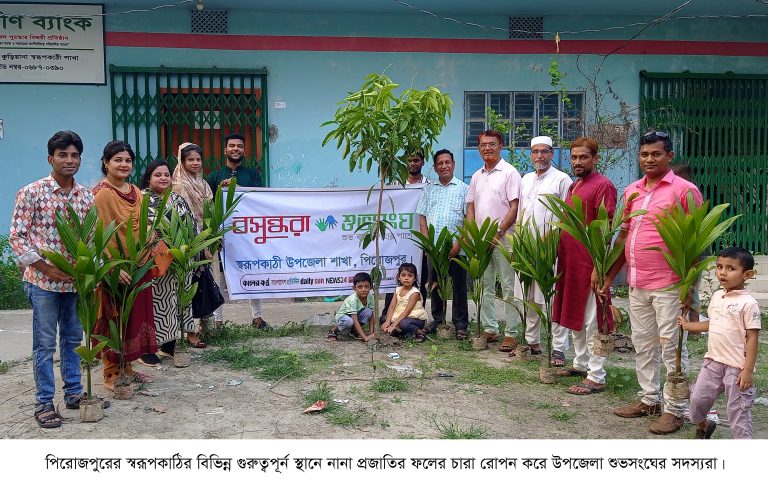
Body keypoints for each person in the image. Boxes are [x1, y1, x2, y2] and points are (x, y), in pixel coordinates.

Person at [601, 130, 703, 435]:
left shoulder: (685, 191)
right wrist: (608, 275)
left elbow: (695, 243)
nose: (649, 159)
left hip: (670, 284)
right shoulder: (632, 190)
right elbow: (624, 235)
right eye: (644, 154)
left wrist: (690, 290)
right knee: (642, 344)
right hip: (637, 282)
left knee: (672, 347)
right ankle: (649, 398)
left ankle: (675, 409)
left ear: (669, 156)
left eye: (656, 154)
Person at [9, 131, 94, 427]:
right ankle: (44, 401)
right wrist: (46, 268)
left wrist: (89, 272)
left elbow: (92, 238)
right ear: (51, 159)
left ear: (80, 159)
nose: (69, 160)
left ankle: (73, 393)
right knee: (44, 344)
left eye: (74, 155)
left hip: (74, 282)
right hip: (42, 281)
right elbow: (17, 237)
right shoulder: (31, 192)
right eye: (63, 155)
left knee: (72, 339)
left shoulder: (86, 196)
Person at [551, 137, 617, 394]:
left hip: (590, 264)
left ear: (595, 158)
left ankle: (597, 375)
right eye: (574, 157)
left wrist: (598, 267)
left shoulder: (603, 185)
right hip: (569, 263)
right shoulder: (574, 186)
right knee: (575, 316)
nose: (577, 162)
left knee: (593, 320)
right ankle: (581, 363)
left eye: (583, 157)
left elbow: (607, 227)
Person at [93, 140, 157, 391]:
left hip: (138, 263)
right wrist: (110, 267)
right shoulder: (101, 194)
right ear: (106, 163)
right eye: (117, 160)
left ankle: (128, 366)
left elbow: (142, 224)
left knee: (133, 317)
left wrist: (149, 241)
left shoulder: (136, 191)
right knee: (113, 317)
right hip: (114, 267)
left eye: (128, 160)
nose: (123, 164)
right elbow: (98, 236)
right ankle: (110, 373)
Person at [678, 247, 761, 439]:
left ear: (747, 274)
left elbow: (752, 338)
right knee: (697, 402)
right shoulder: (717, 296)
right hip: (712, 363)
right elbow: (713, 323)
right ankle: (705, 425)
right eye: (719, 267)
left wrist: (747, 370)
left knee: (738, 416)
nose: (723, 272)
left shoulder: (749, 304)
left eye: (731, 268)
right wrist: (688, 325)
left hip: (737, 370)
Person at [515, 135, 572, 359]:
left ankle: (558, 348)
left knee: (550, 298)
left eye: (545, 151)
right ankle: (532, 342)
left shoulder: (562, 179)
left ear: (552, 153)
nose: (540, 156)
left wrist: (550, 237)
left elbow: (567, 215)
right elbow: (522, 210)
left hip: (551, 248)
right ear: (531, 155)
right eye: (535, 152)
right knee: (529, 296)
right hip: (526, 247)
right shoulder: (526, 179)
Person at [138, 159, 199, 365]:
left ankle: (169, 347)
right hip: (156, 260)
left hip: (180, 260)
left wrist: (193, 248)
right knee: (157, 303)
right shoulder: (142, 199)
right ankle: (149, 348)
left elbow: (191, 224)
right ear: (148, 178)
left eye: (166, 174)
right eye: (158, 175)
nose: (163, 178)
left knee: (177, 301)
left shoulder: (177, 199)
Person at [205, 133, 269, 329]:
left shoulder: (252, 175)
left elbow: (261, 200)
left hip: (247, 233)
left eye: (239, 146)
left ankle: (257, 318)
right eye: (232, 146)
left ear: (244, 150)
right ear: (225, 150)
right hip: (221, 234)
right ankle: (218, 321)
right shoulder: (214, 176)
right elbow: (206, 204)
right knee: (218, 276)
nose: (235, 149)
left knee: (252, 272)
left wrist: (238, 188)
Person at [465, 130, 522, 345]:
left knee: (508, 286)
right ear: (478, 148)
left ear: (501, 146)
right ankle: (490, 328)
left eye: (492, 144)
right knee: (484, 284)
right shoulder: (477, 175)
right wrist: (472, 234)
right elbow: (471, 206)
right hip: (481, 241)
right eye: (483, 145)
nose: (487, 148)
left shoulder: (509, 172)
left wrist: (498, 234)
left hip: (504, 238)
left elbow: (514, 207)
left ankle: (512, 333)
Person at [415, 149, 469, 340]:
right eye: (440, 163)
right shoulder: (428, 189)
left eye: (447, 162)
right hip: (435, 249)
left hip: (457, 248)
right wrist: (428, 244)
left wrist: (460, 244)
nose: (444, 166)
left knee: (459, 287)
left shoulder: (464, 188)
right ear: (435, 167)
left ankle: (461, 324)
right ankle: (438, 319)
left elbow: (468, 220)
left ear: (453, 164)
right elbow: (422, 218)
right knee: (435, 285)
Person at [380, 150, 430, 322]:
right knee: (396, 280)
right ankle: (388, 315)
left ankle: (417, 317)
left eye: (416, 160)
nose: (413, 163)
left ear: (423, 162)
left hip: (420, 241)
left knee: (419, 280)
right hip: (397, 241)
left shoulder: (429, 186)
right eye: (409, 160)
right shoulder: (395, 184)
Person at [172, 142, 212, 347]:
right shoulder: (178, 185)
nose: (195, 163)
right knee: (185, 285)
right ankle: (187, 332)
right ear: (182, 161)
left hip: (204, 239)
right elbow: (182, 217)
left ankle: (203, 325)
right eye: (190, 159)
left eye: (198, 159)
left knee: (201, 284)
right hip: (186, 242)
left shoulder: (203, 184)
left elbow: (209, 211)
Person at [381, 262, 429, 342]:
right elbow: (392, 307)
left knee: (404, 324)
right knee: (383, 319)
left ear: (414, 278)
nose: (406, 278)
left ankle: (420, 332)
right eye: (403, 275)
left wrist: (393, 325)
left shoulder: (415, 293)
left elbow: (407, 311)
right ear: (399, 277)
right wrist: (387, 322)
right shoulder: (398, 290)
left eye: (410, 276)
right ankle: (403, 332)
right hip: (400, 316)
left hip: (414, 319)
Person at [327, 272, 375, 342]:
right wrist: (365, 338)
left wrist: (372, 333)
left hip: (355, 316)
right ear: (354, 288)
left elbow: (371, 317)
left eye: (366, 286)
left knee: (369, 312)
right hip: (344, 316)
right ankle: (333, 331)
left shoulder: (371, 297)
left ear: (371, 287)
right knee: (349, 321)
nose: (363, 290)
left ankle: (353, 331)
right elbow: (354, 319)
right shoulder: (353, 299)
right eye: (360, 287)